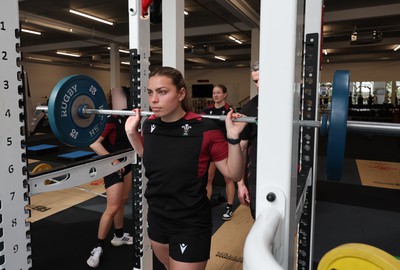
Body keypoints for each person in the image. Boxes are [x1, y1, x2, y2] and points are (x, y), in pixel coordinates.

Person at [125, 66, 246, 270]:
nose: (153, 100)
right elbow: (151, 159)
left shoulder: (206, 130)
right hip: (157, 216)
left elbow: (234, 173)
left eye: (162, 92)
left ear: (181, 93)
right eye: (150, 92)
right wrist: (132, 134)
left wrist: (233, 138)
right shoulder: (149, 125)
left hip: (190, 222)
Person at [86, 87, 133, 268]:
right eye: (116, 98)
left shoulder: (127, 118)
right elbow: (94, 143)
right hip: (113, 166)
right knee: (112, 207)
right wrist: (113, 162)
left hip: (126, 164)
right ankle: (97, 247)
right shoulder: (110, 120)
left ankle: (119, 236)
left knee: (122, 200)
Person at [201, 84, 236, 221]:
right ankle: (206, 206)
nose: (215, 95)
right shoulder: (207, 110)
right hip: (210, 148)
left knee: (228, 178)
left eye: (218, 92)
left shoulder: (229, 110)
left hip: (223, 147)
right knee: (208, 178)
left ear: (225, 94)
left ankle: (230, 206)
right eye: (214, 93)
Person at [238, 60, 259, 219]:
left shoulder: (292, 106)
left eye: (261, 81)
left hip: (287, 171)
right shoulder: (249, 108)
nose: (258, 85)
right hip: (257, 172)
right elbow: (242, 148)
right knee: (257, 216)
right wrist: (240, 183)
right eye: (255, 81)